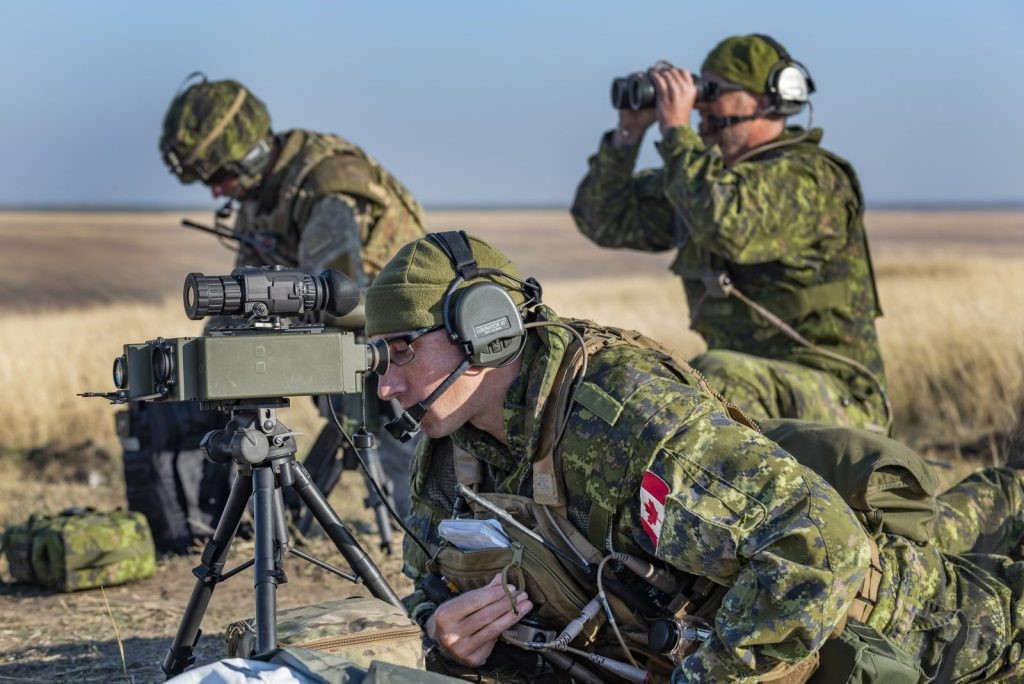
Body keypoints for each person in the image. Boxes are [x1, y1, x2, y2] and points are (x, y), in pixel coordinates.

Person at [364, 231, 1024, 682]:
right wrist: (446, 640)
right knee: (972, 513)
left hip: (891, 627)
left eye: (401, 351)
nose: (388, 386)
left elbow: (821, 547)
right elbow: (432, 587)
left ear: (484, 329)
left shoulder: (623, 417)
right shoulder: (449, 456)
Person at [132, 75, 426, 549]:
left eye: (217, 177)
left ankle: (423, 541)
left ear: (248, 155)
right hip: (346, 329)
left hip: (398, 332)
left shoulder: (327, 190)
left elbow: (342, 301)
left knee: (398, 425)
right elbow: (244, 300)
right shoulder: (263, 195)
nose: (215, 193)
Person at [572, 34, 889, 434]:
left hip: (839, 399)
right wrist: (627, 136)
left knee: (715, 375)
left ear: (766, 99)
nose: (699, 105)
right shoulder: (701, 182)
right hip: (748, 390)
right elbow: (602, 218)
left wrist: (675, 130)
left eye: (712, 91)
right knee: (630, 380)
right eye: (698, 89)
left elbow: (728, 225)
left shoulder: (813, 178)